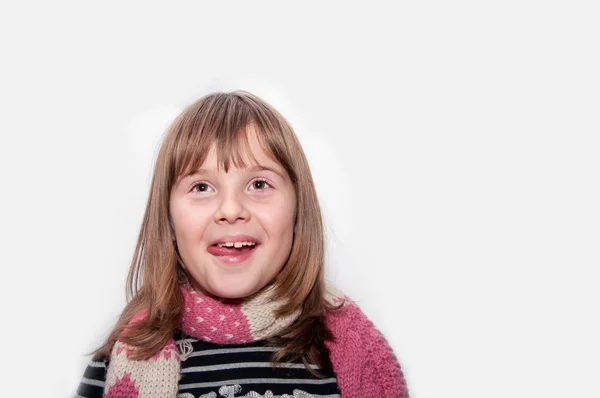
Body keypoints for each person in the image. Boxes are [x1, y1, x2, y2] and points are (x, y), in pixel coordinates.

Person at [75, 90, 408, 398]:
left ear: (296, 212)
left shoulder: (351, 353)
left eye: (259, 184)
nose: (231, 210)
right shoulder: (114, 367)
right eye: (202, 187)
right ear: (169, 221)